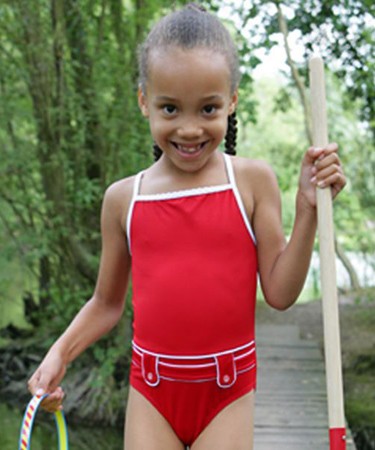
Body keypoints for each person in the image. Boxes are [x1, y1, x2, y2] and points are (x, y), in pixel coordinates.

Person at [28, 3, 346, 450]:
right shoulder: (124, 200)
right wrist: (59, 352)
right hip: (152, 391)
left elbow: (279, 292)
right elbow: (106, 302)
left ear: (232, 100)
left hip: (227, 391)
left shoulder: (252, 182)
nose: (190, 129)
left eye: (208, 108)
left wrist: (308, 209)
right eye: (171, 109)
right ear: (144, 101)